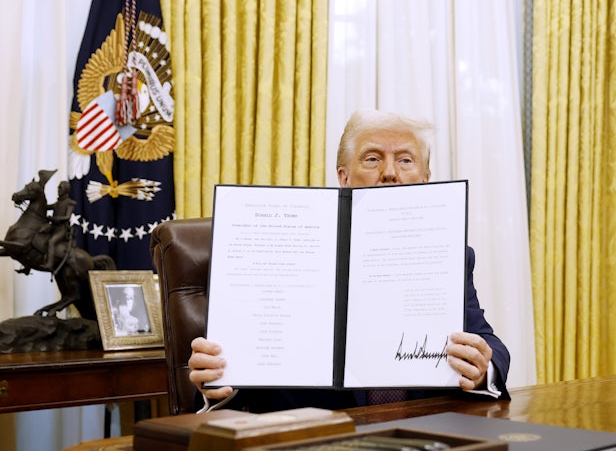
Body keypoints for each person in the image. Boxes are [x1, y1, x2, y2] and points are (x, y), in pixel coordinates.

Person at [186, 109, 511, 413]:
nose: (389, 173)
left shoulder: (450, 256)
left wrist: (484, 368)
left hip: (422, 438)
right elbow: (239, 372)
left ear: (425, 178)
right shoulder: (277, 251)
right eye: (372, 159)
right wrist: (216, 380)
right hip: (307, 441)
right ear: (343, 177)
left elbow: (491, 345)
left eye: (406, 160)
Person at [43, 180, 75, 272]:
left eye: (60, 188)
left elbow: (67, 217)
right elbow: (46, 207)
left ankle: (49, 264)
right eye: (58, 188)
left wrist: (55, 218)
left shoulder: (70, 203)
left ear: (65, 190)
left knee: (51, 242)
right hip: (53, 227)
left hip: (62, 229)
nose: (58, 189)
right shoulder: (58, 202)